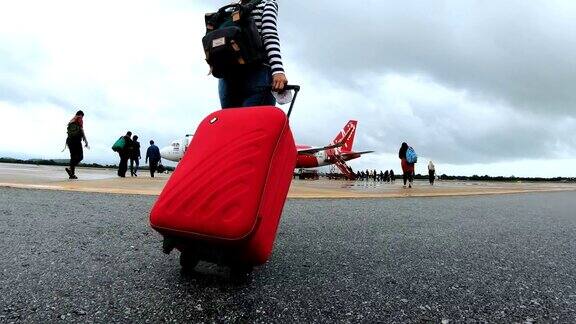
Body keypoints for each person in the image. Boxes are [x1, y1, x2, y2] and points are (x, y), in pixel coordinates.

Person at [218, 0, 288, 108]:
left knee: (232, 123)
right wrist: (278, 71)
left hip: (227, 79)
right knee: (255, 123)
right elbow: (269, 36)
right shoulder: (267, 4)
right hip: (258, 74)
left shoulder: (230, 8)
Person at [65, 110, 89, 180]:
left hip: (69, 141)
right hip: (76, 141)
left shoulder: (71, 120)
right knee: (80, 157)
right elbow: (81, 130)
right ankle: (70, 169)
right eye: (82, 116)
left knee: (73, 157)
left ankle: (72, 175)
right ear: (81, 115)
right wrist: (86, 141)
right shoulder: (79, 118)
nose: (82, 118)